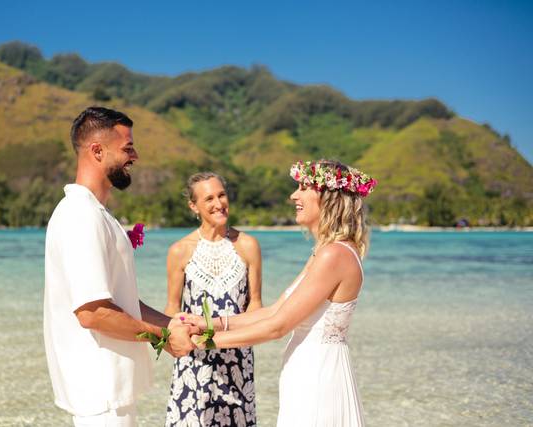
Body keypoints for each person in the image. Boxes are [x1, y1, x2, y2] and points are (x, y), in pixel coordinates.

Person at [180, 160, 377, 426]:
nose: (293, 195)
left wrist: (209, 341)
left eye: (304, 187)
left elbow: (278, 327)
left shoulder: (334, 254)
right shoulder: (326, 251)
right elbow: (275, 311)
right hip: (309, 371)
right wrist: (209, 323)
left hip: (318, 375)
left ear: (328, 197)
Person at [43, 106, 196, 427]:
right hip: (100, 397)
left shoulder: (98, 215)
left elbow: (120, 301)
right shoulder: (80, 217)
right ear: (97, 151)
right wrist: (163, 339)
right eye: (127, 147)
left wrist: (171, 324)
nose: (135, 156)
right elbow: (93, 313)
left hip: (111, 394)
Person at [164, 172, 263, 427]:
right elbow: (172, 309)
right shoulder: (179, 251)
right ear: (193, 206)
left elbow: (255, 305)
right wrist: (169, 341)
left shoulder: (248, 245)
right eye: (209, 198)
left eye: (221, 195)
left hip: (238, 363)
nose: (219, 203)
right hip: (194, 364)